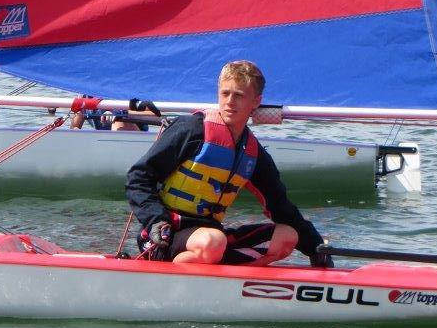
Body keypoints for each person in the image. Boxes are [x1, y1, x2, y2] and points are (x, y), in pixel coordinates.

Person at [125, 61, 332, 267]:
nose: (230, 102)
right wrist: (156, 220)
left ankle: (227, 282)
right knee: (214, 242)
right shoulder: (191, 130)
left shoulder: (253, 153)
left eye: (239, 95)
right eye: (225, 94)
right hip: (165, 235)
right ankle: (167, 274)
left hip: (211, 238)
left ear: (256, 101)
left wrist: (316, 247)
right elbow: (138, 177)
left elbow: (280, 207)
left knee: (287, 237)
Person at [70, 98, 161, 132]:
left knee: (118, 122)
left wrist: (120, 114)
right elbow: (74, 129)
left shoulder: (125, 93)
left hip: (136, 140)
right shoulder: (85, 97)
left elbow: (156, 116)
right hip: (105, 144)